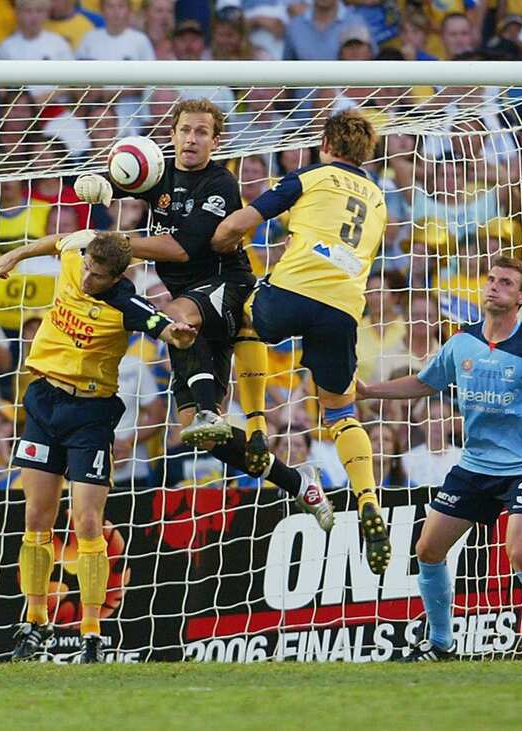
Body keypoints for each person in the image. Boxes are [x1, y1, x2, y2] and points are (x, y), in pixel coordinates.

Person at [72, 99, 334, 528]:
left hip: (227, 287)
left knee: (175, 316)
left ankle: (213, 409)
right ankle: (296, 481)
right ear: (172, 134)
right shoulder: (158, 171)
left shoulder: (220, 184)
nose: (191, 139)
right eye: (185, 130)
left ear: (216, 141)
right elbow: (123, 178)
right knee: (198, 431)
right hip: (191, 302)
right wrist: (97, 184)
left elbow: (180, 249)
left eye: (201, 132)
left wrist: (111, 241)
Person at [358, 257, 522, 664]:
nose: (494, 287)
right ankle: (440, 644)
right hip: (474, 466)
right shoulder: (461, 342)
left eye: (506, 283)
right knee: (428, 549)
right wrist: (368, 391)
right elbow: (424, 383)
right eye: (491, 279)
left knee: (521, 551)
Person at [0, 231, 197, 663]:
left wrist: (177, 335)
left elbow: (160, 325)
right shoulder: (75, 258)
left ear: (117, 276)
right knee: (36, 516)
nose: (87, 279)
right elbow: (58, 242)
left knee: (87, 521)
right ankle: (35, 622)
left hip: (89, 415)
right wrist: (17, 254)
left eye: (98, 276)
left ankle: (91, 632)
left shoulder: (126, 304)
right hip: (44, 401)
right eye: (87, 268)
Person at [211, 110, 391, 574]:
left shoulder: (309, 176)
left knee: (245, 318)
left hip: (294, 289)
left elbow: (241, 222)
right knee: (340, 412)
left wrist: (215, 243)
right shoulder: (378, 198)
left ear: (325, 144)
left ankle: (255, 428)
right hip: (344, 308)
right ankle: (368, 499)